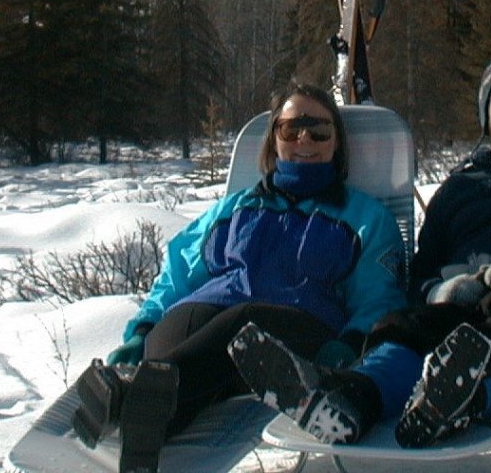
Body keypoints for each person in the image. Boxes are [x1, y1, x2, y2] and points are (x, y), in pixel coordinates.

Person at [230, 49, 491, 449]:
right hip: (464, 314)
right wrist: (438, 292)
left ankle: (463, 396)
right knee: (407, 325)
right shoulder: (459, 188)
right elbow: (423, 272)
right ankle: (352, 400)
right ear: (486, 115)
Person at [71, 82, 407, 472]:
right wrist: (143, 330)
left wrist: (349, 344)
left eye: (319, 130)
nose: (305, 138)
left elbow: (379, 297)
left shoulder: (365, 217)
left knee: (242, 324)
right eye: (291, 128)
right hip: (211, 317)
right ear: (273, 139)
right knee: (182, 326)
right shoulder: (234, 208)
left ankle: (126, 401)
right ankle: (143, 419)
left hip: (299, 331)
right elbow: (179, 273)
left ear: (337, 144)